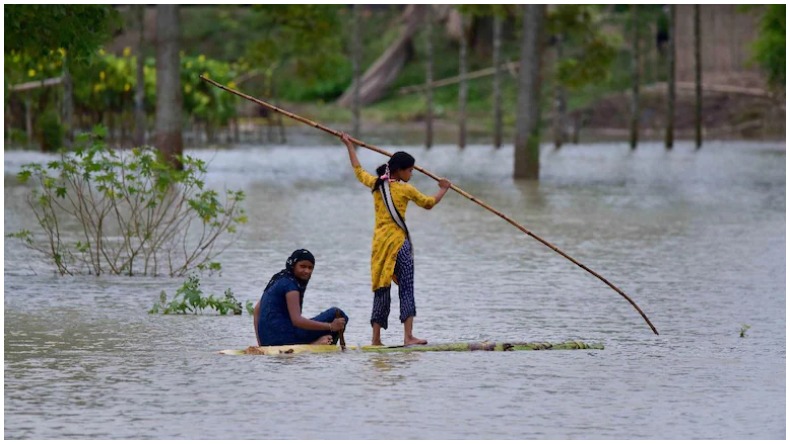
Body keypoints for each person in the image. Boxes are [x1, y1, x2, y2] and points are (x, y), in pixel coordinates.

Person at [340, 132, 451, 346]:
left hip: (380, 245)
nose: (412, 173)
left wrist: (349, 145)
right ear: (400, 170)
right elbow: (428, 203)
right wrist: (444, 189)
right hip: (400, 244)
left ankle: (376, 339)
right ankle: (408, 336)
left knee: (381, 288)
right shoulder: (405, 188)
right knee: (406, 286)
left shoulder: (376, 184)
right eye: (410, 170)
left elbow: (358, 171)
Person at [253, 249, 348, 346]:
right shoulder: (290, 286)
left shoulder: (278, 279)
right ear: (293, 266)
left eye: (310, 268)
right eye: (302, 266)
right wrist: (330, 326)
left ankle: (316, 343)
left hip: (268, 341)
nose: (307, 271)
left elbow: (256, 310)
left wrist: (261, 344)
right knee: (338, 314)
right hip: (285, 339)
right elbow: (297, 320)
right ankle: (317, 345)